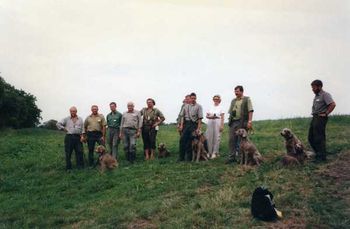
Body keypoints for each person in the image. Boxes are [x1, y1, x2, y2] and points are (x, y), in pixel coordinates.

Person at [308, 79, 336, 162]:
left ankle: (321, 158)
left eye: (314, 87)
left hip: (321, 118)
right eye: (312, 87)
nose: (312, 89)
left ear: (319, 87)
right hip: (315, 117)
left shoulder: (325, 95)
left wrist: (326, 113)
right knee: (311, 137)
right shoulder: (316, 96)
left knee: (319, 138)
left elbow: (332, 104)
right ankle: (318, 154)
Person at [227, 85, 254, 164]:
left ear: (242, 91)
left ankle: (240, 158)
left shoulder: (247, 99)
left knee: (241, 141)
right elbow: (230, 111)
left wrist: (249, 121)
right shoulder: (233, 100)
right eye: (235, 91)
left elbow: (250, 111)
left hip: (242, 122)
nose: (236, 93)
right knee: (231, 140)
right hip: (233, 122)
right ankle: (232, 157)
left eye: (237, 91)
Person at [179, 92, 203, 161]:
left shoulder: (199, 106)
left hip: (194, 124)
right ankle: (181, 157)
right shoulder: (185, 106)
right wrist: (181, 125)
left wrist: (198, 128)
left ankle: (189, 158)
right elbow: (182, 116)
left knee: (192, 140)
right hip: (186, 124)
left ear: (196, 98)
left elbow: (200, 118)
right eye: (192, 98)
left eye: (194, 98)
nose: (193, 99)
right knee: (182, 140)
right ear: (190, 98)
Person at [206, 95, 225, 159]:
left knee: (217, 137)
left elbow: (222, 117)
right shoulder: (210, 107)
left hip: (217, 122)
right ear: (213, 100)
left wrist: (222, 125)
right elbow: (207, 115)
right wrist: (210, 116)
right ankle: (209, 152)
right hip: (210, 122)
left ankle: (215, 152)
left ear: (219, 100)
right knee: (209, 137)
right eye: (215, 99)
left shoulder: (221, 107)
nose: (216, 100)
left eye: (217, 99)